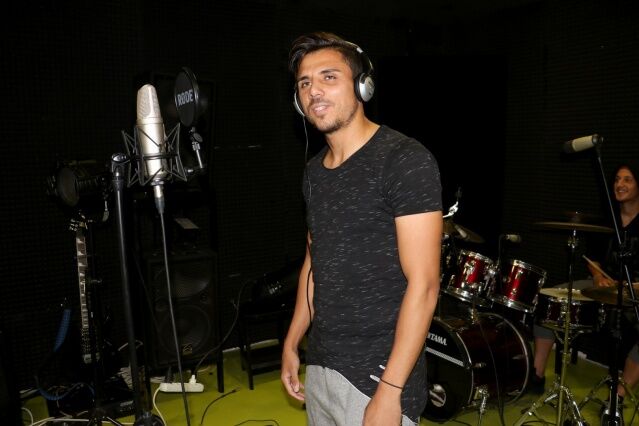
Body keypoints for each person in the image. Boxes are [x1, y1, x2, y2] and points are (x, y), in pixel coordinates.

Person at [280, 32, 442, 426]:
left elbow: (424, 285)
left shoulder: (404, 159)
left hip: (377, 379)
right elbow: (314, 263)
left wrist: (390, 391)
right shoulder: (313, 172)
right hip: (322, 367)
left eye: (329, 77)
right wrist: (292, 341)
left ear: (362, 86)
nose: (314, 91)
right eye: (304, 83)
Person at [531, 163, 639, 404]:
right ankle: (536, 375)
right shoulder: (608, 219)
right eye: (617, 180)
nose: (620, 184)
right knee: (550, 297)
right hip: (602, 286)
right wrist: (598, 276)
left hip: (634, 291)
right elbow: (593, 259)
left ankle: (617, 397)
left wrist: (630, 286)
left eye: (627, 180)